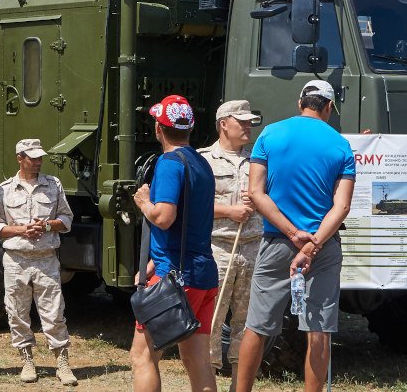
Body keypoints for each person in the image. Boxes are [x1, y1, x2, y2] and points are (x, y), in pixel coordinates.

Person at [231, 80, 355, 392]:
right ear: (328, 108)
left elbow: (256, 194)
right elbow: (341, 207)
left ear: (301, 102)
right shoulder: (340, 144)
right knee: (319, 330)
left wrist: (292, 232)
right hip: (322, 247)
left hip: (276, 242)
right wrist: (311, 244)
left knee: (257, 327)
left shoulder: (270, 133)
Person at [130, 94, 218, 392]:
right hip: (204, 275)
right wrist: (151, 262)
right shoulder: (201, 164)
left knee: (143, 356)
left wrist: (143, 202)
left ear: (158, 128)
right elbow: (188, 222)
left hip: (176, 276)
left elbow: (165, 217)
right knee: (198, 362)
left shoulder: (169, 163)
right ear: (190, 128)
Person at [0, 139, 78, 385]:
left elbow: (67, 220)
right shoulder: (5, 189)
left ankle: (62, 363)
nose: (38, 162)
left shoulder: (53, 185)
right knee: (17, 313)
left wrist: (47, 225)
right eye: (33, 158)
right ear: (20, 158)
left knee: (54, 313)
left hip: (46, 260)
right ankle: (27, 360)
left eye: (40, 158)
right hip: (16, 261)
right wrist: (20, 230)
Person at [196, 99, 262, 375]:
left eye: (250, 122)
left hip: (252, 248)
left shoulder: (258, 161)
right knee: (211, 319)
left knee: (249, 322)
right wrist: (229, 211)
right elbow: (192, 205)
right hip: (217, 247)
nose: (248, 126)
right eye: (242, 121)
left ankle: (241, 379)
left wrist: (258, 200)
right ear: (224, 124)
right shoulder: (203, 160)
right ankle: (207, 378)